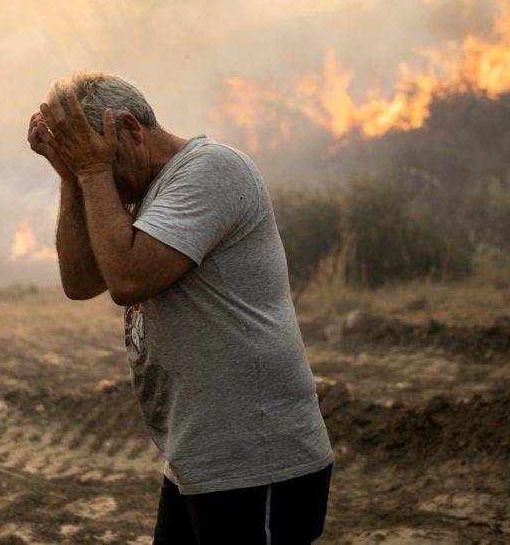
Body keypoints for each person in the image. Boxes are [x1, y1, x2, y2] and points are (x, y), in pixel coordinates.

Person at [27, 72, 333, 544]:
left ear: (129, 129)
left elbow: (127, 279)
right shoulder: (149, 192)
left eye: (102, 162)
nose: (101, 181)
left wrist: (90, 173)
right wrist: (72, 176)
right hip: (200, 458)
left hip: (256, 460)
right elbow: (82, 281)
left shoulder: (211, 170)